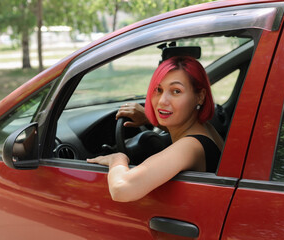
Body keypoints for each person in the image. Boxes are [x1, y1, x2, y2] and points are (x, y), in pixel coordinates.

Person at [87, 56, 223, 202]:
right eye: (158, 89)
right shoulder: (205, 128)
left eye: (176, 91)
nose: (162, 101)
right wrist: (148, 118)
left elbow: (122, 189)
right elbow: (179, 127)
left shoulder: (189, 147)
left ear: (200, 97)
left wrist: (117, 159)